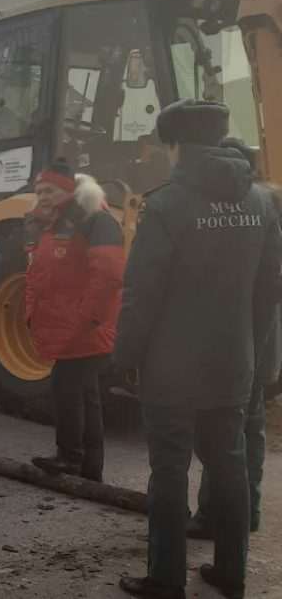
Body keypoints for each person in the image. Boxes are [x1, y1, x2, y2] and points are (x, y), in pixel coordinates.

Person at [114, 100, 282, 599]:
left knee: (169, 469)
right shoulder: (260, 202)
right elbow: (269, 289)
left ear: (176, 145)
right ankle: (232, 573)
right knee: (230, 465)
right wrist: (249, 347)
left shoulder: (166, 205)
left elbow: (142, 294)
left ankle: (166, 577)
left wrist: (125, 359)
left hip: (172, 369)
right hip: (234, 362)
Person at [189, 139, 280, 539]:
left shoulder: (239, 213)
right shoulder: (267, 206)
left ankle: (215, 515)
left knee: (221, 433)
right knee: (248, 430)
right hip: (262, 345)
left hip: (239, 345)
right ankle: (247, 511)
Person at [24, 160, 126, 482]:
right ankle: (89, 466)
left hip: (84, 325)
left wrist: (88, 317)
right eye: (39, 190)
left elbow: (109, 275)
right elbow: (37, 273)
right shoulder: (49, 223)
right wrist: (31, 312)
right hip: (74, 323)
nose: (43, 196)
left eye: (50, 190)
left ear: (68, 190)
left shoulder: (93, 219)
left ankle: (70, 456)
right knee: (85, 392)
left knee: (66, 385)